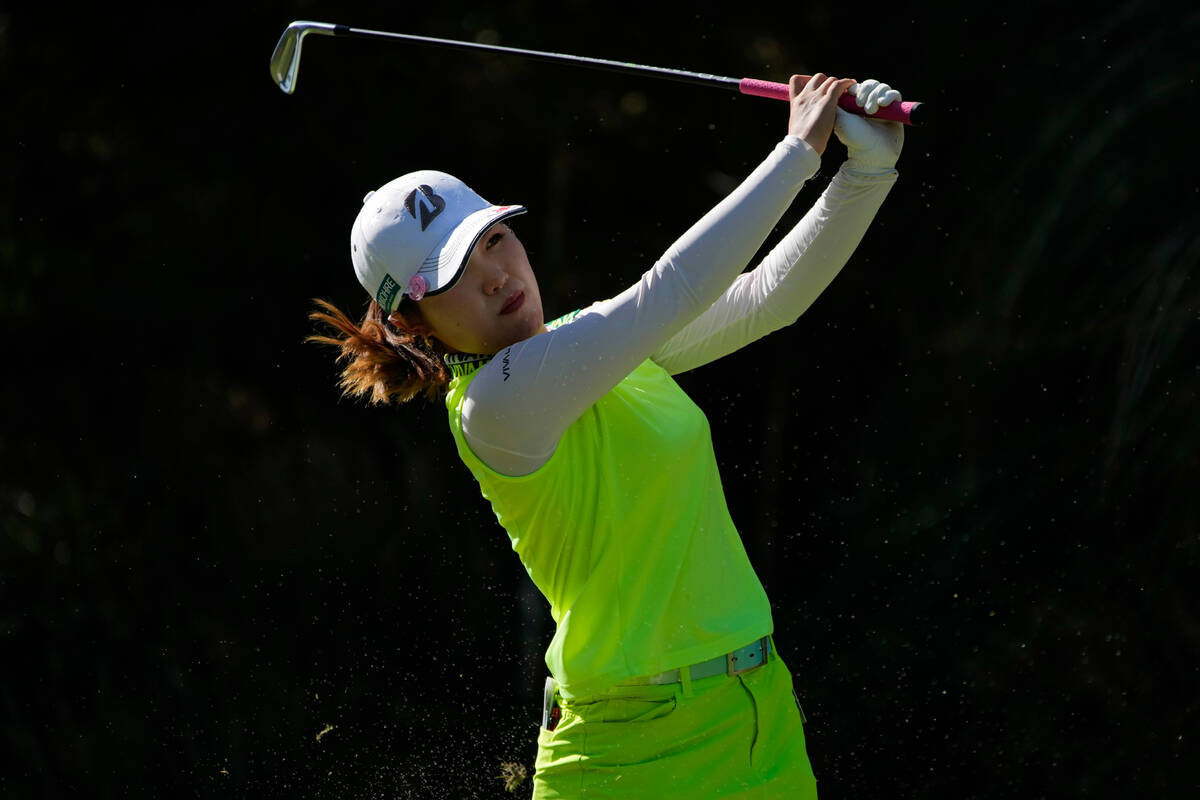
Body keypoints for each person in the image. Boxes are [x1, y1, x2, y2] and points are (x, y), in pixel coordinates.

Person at [309, 73, 905, 798]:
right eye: (458, 273)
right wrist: (795, 153)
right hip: (630, 751)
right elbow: (668, 290)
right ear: (412, 324)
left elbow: (763, 298)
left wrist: (867, 172)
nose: (497, 275)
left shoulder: (596, 347)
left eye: (495, 239)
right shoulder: (493, 407)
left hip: (757, 718)